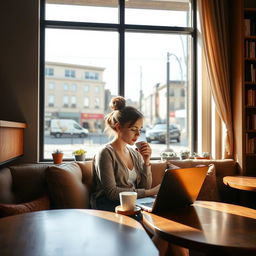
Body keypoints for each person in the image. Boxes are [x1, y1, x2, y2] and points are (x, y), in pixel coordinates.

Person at [90, 96, 160, 212]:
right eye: (133, 129)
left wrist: (146, 162)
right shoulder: (105, 153)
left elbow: (145, 187)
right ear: (118, 127)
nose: (138, 134)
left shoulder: (135, 154)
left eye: (140, 129)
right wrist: (151, 192)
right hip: (110, 207)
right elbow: (111, 193)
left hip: (132, 205)